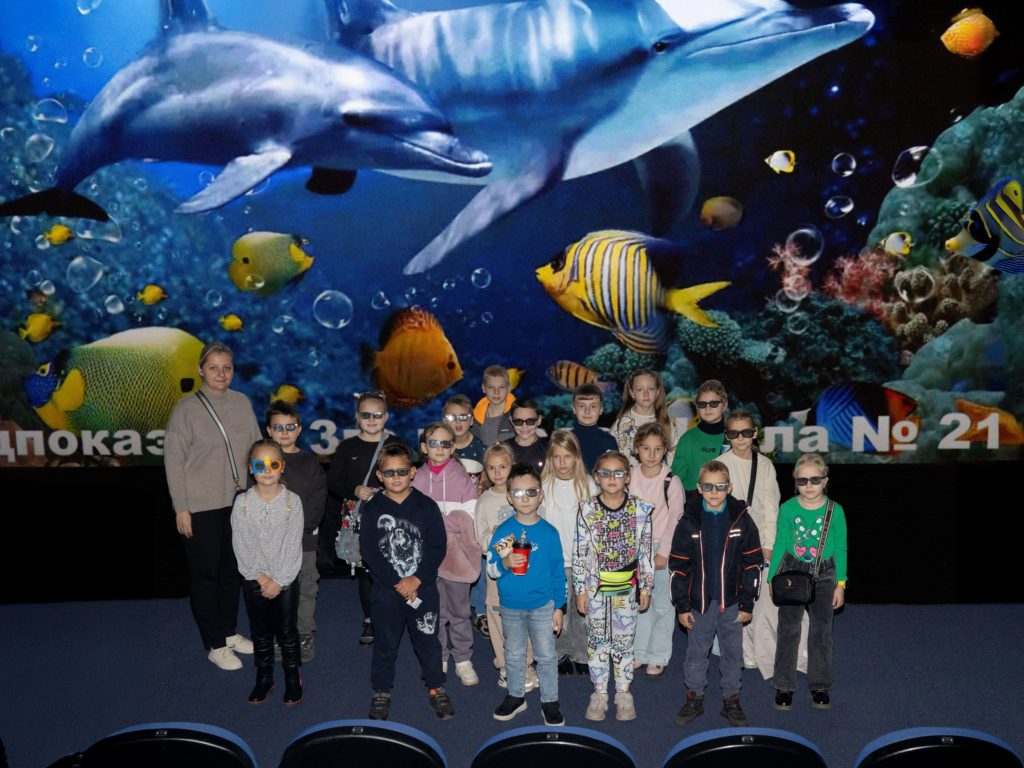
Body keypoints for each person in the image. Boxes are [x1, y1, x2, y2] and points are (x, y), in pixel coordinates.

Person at [165, 342, 261, 670]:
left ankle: (229, 632)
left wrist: (261, 495)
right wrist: (181, 507)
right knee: (206, 577)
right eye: (214, 367)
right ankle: (215, 644)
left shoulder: (242, 402)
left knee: (232, 573)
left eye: (227, 367)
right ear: (200, 370)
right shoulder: (186, 409)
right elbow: (173, 462)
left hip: (237, 503)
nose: (221, 374)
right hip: (200, 507)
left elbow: (257, 451)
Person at [360, 442, 454, 721]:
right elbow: (371, 553)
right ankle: (381, 691)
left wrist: (415, 578)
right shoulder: (373, 508)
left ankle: (436, 687)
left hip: (422, 589)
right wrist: (398, 582)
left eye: (402, 471)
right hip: (386, 592)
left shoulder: (426, 506)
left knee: (428, 642)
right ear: (379, 476)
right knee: (385, 644)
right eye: (389, 473)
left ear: (413, 471)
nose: (396, 477)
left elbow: (437, 547)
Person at [671, 460, 762, 728]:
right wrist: (682, 606)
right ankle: (694, 696)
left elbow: (753, 563)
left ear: (729, 488)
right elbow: (678, 567)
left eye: (720, 487)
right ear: (699, 488)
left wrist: (747, 603)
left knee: (733, 653)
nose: (714, 492)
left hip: (732, 602)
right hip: (699, 604)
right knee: (696, 654)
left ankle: (731, 698)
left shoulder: (742, 520)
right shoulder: (688, 521)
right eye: (708, 487)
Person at [717, 409, 806, 678]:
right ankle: (745, 650)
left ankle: (770, 648)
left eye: (745, 432)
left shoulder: (764, 464)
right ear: (727, 435)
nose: (740, 438)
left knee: (760, 596)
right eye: (734, 433)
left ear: (754, 433)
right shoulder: (719, 464)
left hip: (758, 541)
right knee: (735, 596)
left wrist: (769, 544)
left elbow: (771, 507)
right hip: (729, 541)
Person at [573, 451, 653, 722]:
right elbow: (579, 551)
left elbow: (645, 552)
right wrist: (580, 589)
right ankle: (599, 692)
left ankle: (623, 692)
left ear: (627, 477)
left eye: (618, 472)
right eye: (605, 473)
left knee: (624, 642)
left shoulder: (641, 510)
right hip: (595, 588)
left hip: (626, 589)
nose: (611, 478)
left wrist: (646, 587)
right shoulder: (586, 509)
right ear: (596, 477)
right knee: (597, 641)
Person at [488, 463, 567, 725]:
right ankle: (515, 695)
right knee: (513, 653)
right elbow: (491, 570)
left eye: (531, 492)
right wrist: (505, 563)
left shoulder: (549, 532)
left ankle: (550, 700)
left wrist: (559, 606)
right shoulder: (504, 532)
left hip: (543, 604)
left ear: (540, 495)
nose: (525, 498)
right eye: (518, 493)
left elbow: (558, 572)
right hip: (511, 605)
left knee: (546, 655)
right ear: (509, 497)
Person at [770, 453, 848, 711]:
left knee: (821, 631)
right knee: (788, 629)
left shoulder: (835, 511)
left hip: (826, 575)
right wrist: (772, 577)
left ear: (825, 480)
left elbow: (841, 548)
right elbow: (781, 543)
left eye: (815, 479)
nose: (809, 485)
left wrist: (840, 584)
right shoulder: (788, 508)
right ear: (795, 483)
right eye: (802, 481)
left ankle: (819, 685)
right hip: (792, 572)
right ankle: (784, 684)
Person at [231, 439, 305, 706]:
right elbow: (241, 544)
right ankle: (264, 677)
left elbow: (293, 545)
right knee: (260, 631)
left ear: (282, 467)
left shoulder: (292, 502)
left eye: (273, 464)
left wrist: (279, 581)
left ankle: (292, 677)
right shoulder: (242, 503)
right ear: (251, 468)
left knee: (287, 631)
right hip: (254, 579)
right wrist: (260, 578)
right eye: (260, 465)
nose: (267, 470)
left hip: (285, 579)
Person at [325, 390, 398, 647]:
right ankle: (370, 618)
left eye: (377, 414)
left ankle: (392, 614)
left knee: (392, 566)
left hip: (391, 515)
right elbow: (333, 482)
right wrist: (354, 490)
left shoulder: (396, 445)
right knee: (366, 569)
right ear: (357, 417)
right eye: (366, 415)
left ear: (386, 416)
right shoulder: (348, 447)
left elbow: (409, 477)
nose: (372, 419)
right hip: (359, 517)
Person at [412, 422, 481, 686]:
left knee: (460, 612)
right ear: (423, 447)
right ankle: (439, 656)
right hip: (427, 559)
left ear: (453, 448)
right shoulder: (418, 478)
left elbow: (469, 519)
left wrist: (436, 520)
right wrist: (448, 520)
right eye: (433, 443)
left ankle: (463, 659)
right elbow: (414, 518)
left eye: (445, 443)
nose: (439, 448)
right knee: (434, 611)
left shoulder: (462, 478)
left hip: (457, 558)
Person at [266, 400, 327, 663]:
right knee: (275, 588)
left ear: (299, 429)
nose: (284, 432)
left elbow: (317, 501)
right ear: (269, 430)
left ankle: (303, 633)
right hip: (271, 543)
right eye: (278, 427)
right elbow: (254, 498)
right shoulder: (263, 461)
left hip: (304, 541)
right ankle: (279, 634)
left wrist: (300, 528)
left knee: (305, 587)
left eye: (290, 427)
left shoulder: (309, 462)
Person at [475, 443, 539, 691]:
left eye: (502, 466)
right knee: (498, 616)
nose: (497, 472)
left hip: (525, 567)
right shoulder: (484, 500)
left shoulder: (523, 493)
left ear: (512, 465)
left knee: (526, 615)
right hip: (497, 570)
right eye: (491, 468)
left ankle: (526, 663)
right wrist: (494, 539)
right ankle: (505, 666)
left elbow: (535, 525)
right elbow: (480, 539)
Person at [627, 422, 685, 679]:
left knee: (662, 604)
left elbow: (676, 518)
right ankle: (639, 652)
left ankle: (659, 655)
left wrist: (664, 552)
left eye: (658, 449)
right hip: (635, 549)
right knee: (640, 602)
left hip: (662, 548)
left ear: (666, 450)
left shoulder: (671, 480)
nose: (651, 454)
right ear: (636, 449)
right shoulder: (629, 476)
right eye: (646, 448)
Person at [540, 430, 595, 676]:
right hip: (555, 562)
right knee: (559, 609)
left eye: (567, 456)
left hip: (583, 561)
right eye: (557, 456)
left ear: (576, 457)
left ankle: (581, 653)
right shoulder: (544, 486)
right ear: (550, 458)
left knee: (582, 611)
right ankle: (561, 651)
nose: (562, 462)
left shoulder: (588, 485)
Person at [443, 394, 489, 638]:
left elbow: (490, 477)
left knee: (478, 557)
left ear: (471, 420)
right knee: (450, 558)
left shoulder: (481, 448)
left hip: (474, 512)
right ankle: (449, 608)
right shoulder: (441, 446)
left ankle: (480, 609)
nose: (458, 422)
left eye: (463, 417)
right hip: (447, 513)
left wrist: (484, 486)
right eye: (452, 417)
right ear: (444, 419)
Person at [611, 370, 680, 464]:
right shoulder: (622, 425)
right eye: (640, 389)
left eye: (650, 389)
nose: (646, 394)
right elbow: (617, 460)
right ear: (632, 393)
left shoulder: (667, 424)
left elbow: (674, 458)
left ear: (657, 392)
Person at [671, 379, 728, 490]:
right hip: (692, 499)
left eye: (714, 403)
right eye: (702, 404)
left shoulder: (735, 438)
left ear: (725, 404)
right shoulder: (686, 439)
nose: (708, 408)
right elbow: (677, 480)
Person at [569, 383, 617, 470]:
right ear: (574, 409)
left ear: (601, 409)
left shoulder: (609, 441)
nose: (587, 411)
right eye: (581, 406)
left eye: (593, 406)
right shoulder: (567, 440)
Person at [472, 365, 516, 446]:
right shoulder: (474, 417)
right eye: (491, 387)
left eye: (501, 387)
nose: (496, 392)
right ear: (483, 388)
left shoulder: (516, 414)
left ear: (509, 388)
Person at [503, 398, 548, 472]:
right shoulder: (503, 449)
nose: (524, 426)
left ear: (539, 420)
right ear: (511, 420)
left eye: (530, 421)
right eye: (518, 421)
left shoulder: (548, 449)